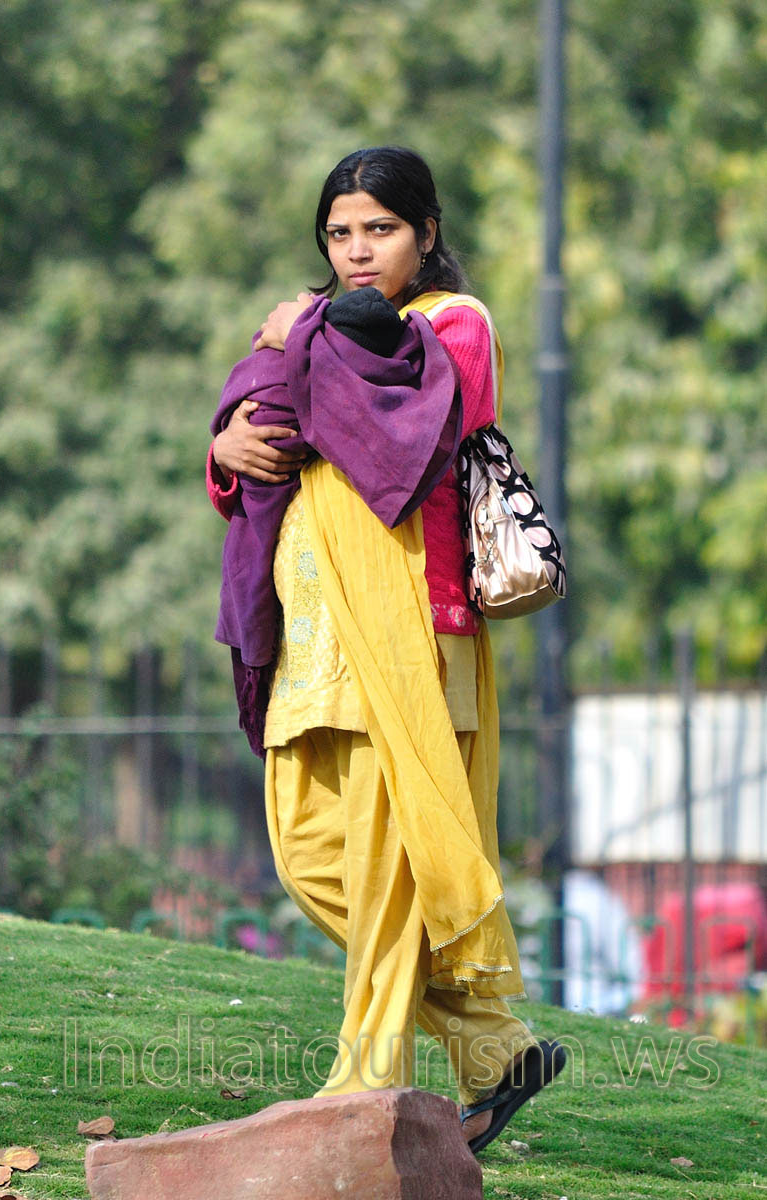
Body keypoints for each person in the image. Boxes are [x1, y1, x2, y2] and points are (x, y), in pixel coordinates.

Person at [208, 146, 564, 1155]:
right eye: (337, 233)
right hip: (310, 634)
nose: (356, 251)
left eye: (378, 229)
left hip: (407, 631)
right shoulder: (311, 322)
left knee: (381, 865)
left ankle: (366, 1077)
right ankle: (492, 1049)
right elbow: (264, 410)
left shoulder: (452, 324)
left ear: (425, 234)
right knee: (308, 852)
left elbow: (400, 423)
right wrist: (227, 443)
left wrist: (300, 331)